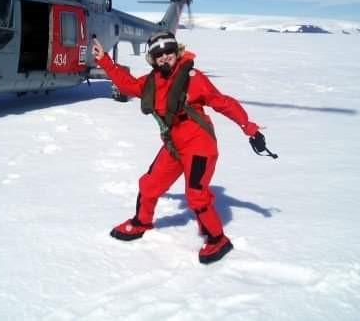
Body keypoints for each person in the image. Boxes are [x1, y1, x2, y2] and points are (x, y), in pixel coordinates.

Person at [92, 30, 267, 264]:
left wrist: (250, 128)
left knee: (196, 195)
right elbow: (127, 85)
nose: (164, 57)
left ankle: (218, 239)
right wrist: (104, 59)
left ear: (177, 52)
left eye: (169, 52)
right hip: (174, 144)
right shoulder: (151, 82)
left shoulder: (193, 79)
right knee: (149, 184)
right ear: (153, 59)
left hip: (199, 145)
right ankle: (141, 222)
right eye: (158, 54)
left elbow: (223, 102)